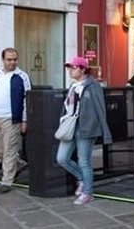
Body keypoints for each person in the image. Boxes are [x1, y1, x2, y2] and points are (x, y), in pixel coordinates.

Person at [56, 56, 112, 205]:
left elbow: (100, 109)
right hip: (71, 127)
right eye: (69, 68)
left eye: (73, 68)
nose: (70, 71)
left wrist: (103, 131)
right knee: (62, 158)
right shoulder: (74, 86)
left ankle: (88, 193)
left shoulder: (93, 86)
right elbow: (68, 108)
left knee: (84, 161)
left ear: (82, 69)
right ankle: (82, 179)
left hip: (86, 129)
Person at [0, 48, 31, 194]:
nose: (12, 62)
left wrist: (24, 120)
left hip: (11, 118)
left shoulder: (22, 76)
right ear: (3, 60)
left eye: (15, 59)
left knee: (10, 149)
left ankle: (7, 181)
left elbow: (27, 99)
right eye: (9, 59)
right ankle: (19, 163)